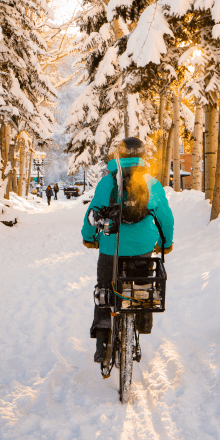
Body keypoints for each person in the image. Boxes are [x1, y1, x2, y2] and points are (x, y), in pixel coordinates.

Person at [81, 137, 174, 363]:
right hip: (142, 248)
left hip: (110, 248)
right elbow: (165, 218)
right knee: (140, 286)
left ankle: (103, 339)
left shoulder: (107, 183)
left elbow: (93, 214)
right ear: (142, 155)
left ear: (119, 156)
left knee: (104, 289)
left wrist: (89, 238)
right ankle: (142, 320)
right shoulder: (152, 183)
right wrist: (165, 243)